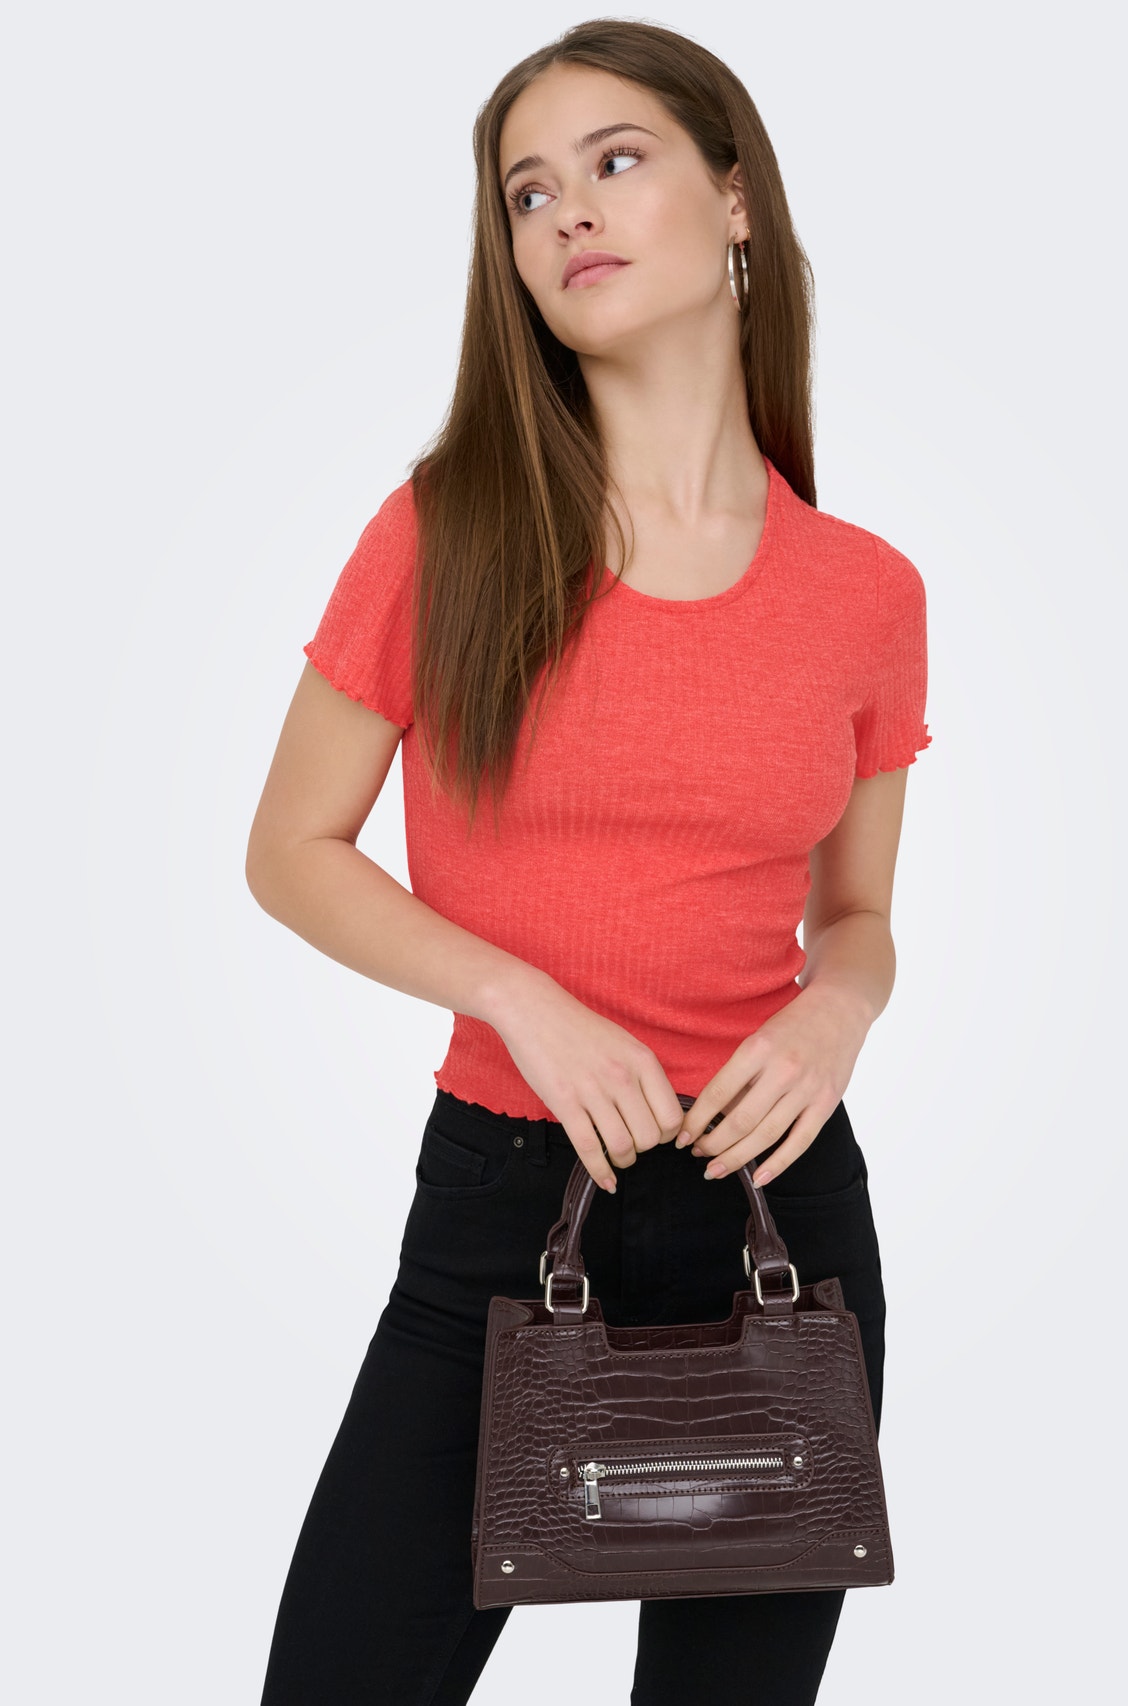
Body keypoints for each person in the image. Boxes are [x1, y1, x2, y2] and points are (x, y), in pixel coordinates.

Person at [245, 19, 932, 1706]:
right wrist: (515, 994)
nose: (569, 213)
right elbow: (291, 849)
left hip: (779, 1215)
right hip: (502, 1201)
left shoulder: (864, 591)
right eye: (529, 192)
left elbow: (859, 914)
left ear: (737, 196)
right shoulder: (447, 530)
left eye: (616, 161)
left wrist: (836, 1011)